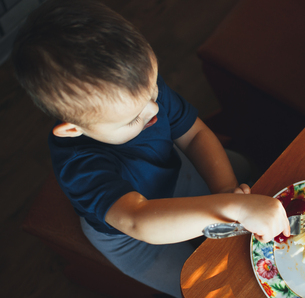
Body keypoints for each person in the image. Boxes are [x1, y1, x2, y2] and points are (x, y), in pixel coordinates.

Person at [12, 0, 290, 297]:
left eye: (153, 92)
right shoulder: (78, 163)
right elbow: (139, 219)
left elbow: (194, 134)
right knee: (203, 284)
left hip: (175, 171)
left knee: (247, 171)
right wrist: (232, 207)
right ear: (72, 129)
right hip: (133, 234)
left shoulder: (136, 93)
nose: (154, 110)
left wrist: (226, 190)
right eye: (133, 118)